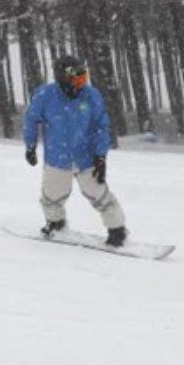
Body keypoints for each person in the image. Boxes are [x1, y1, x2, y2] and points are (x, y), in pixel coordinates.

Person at [22, 55, 128, 247]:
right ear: (63, 77)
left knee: (100, 195)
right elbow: (32, 119)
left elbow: (101, 127)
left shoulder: (91, 95)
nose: (81, 82)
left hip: (86, 158)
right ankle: (55, 224)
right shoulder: (46, 95)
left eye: (83, 77)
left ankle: (117, 229)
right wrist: (30, 145)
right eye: (76, 78)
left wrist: (100, 156)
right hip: (57, 158)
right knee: (52, 196)